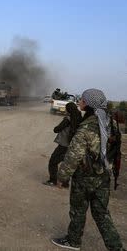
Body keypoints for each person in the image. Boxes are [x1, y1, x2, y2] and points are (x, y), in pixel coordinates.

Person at [52, 89, 125, 251]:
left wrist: (62, 178)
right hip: (103, 176)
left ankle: (73, 241)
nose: (80, 102)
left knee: (78, 210)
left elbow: (73, 156)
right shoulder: (110, 123)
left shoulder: (86, 128)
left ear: (89, 104)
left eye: (83, 100)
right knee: (102, 214)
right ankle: (117, 247)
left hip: (84, 178)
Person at [44, 102, 82, 187]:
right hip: (72, 145)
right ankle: (65, 183)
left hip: (64, 145)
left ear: (69, 109)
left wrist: (56, 128)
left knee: (53, 162)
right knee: (66, 163)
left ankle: (53, 181)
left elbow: (57, 129)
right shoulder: (79, 118)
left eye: (66, 108)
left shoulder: (68, 119)